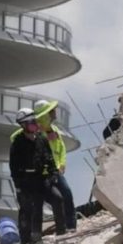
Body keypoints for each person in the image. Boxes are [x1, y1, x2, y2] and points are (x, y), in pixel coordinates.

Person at [10, 108, 65, 244]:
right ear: (23, 125)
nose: (35, 124)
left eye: (35, 121)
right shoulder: (18, 143)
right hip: (26, 182)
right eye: (31, 122)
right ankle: (28, 240)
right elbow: (14, 167)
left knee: (58, 198)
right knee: (29, 209)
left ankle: (61, 233)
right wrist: (19, 186)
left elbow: (50, 159)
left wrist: (52, 176)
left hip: (42, 180)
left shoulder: (42, 139)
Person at [32, 99, 76, 233]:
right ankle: (53, 229)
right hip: (44, 173)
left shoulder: (54, 130)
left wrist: (62, 164)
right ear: (45, 115)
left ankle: (70, 226)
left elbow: (61, 148)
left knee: (66, 194)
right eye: (52, 112)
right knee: (50, 200)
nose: (55, 114)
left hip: (57, 170)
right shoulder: (37, 135)